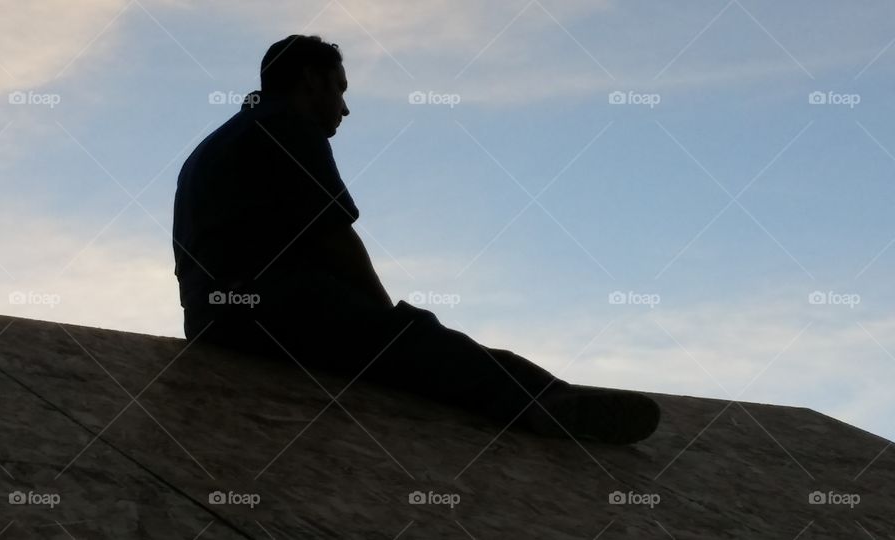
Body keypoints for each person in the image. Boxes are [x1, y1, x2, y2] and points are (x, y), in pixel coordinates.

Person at [172, 34, 660, 444]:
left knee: (406, 337)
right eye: (339, 89)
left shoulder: (215, 145)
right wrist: (389, 323)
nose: (345, 107)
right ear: (309, 81)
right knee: (420, 336)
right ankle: (546, 402)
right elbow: (332, 234)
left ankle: (552, 397)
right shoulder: (285, 124)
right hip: (275, 309)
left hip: (210, 317)